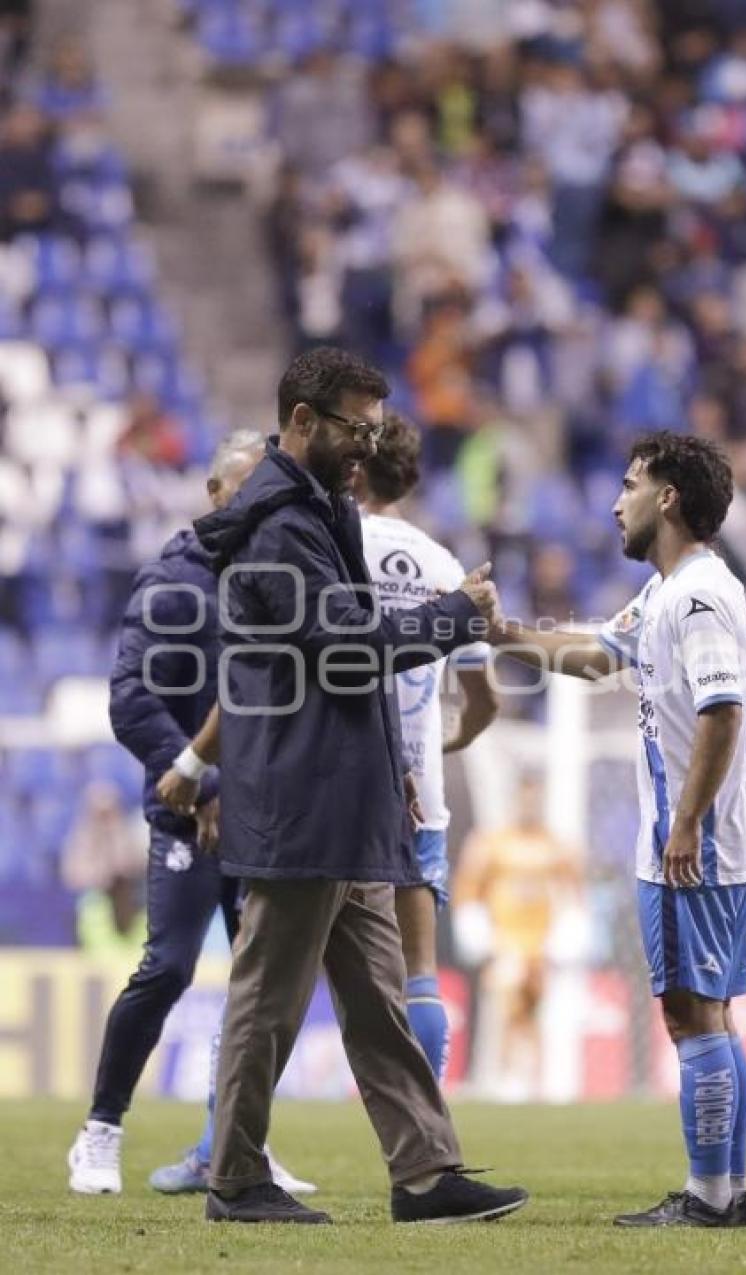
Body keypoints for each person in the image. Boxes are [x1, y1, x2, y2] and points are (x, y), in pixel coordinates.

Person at [190, 345, 527, 1225]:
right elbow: (345, 647)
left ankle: (425, 1171)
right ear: (302, 421)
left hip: (344, 791)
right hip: (304, 795)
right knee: (267, 996)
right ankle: (234, 1177)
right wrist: (456, 616)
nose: (367, 447)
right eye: (354, 428)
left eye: (375, 430)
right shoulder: (278, 523)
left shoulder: (316, 507)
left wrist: (395, 767)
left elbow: (355, 643)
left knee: (379, 1000)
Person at [491, 431, 746, 1228]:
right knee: (711, 1010)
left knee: (690, 1013)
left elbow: (722, 710)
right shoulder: (670, 590)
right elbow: (595, 655)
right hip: (713, 841)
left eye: (630, 483)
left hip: (697, 845)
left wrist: (684, 823)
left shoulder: (700, 594)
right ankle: (728, 1189)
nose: (616, 501)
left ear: (668, 497)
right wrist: (500, 632)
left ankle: (712, 1197)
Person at [67, 431, 308, 1198]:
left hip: (266, 812)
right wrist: (200, 785)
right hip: (189, 814)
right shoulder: (172, 581)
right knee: (169, 965)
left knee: (262, 982)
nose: (258, 506)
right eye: (245, 491)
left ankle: (236, 1146)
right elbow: (131, 700)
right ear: (213, 493)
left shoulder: (274, 576)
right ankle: (100, 1130)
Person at [355, 410, 498, 1078]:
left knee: (280, 968)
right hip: (418, 792)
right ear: (411, 476)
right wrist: (443, 741)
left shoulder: (327, 544)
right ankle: (428, 1134)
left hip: (333, 781)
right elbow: (484, 699)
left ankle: (231, 1141)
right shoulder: (445, 565)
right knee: (421, 971)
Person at [453, 771, 581, 1100]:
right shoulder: (493, 842)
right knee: (506, 1003)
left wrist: (570, 928)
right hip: (504, 940)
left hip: (540, 943)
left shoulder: (555, 845)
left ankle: (536, 1082)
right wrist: (474, 927)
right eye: (525, 798)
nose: (530, 805)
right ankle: (502, 1075)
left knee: (535, 1010)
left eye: (535, 799)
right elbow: (468, 887)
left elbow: (574, 890)